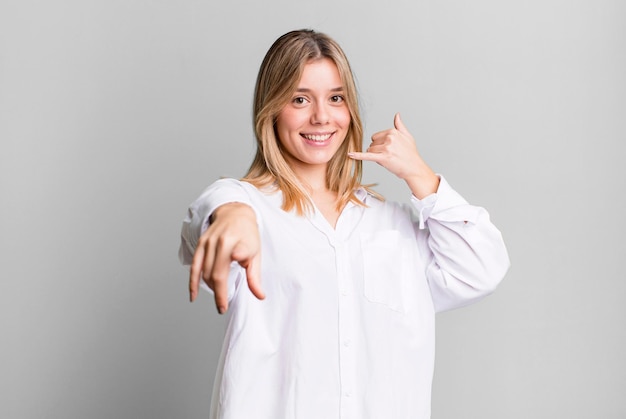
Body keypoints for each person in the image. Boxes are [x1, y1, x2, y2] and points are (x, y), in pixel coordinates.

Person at [179, 29, 509, 419]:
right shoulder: (245, 205)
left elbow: (483, 269)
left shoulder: (395, 225)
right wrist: (230, 211)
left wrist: (422, 175)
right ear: (270, 110)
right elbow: (204, 223)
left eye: (335, 98)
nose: (321, 116)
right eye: (299, 99)